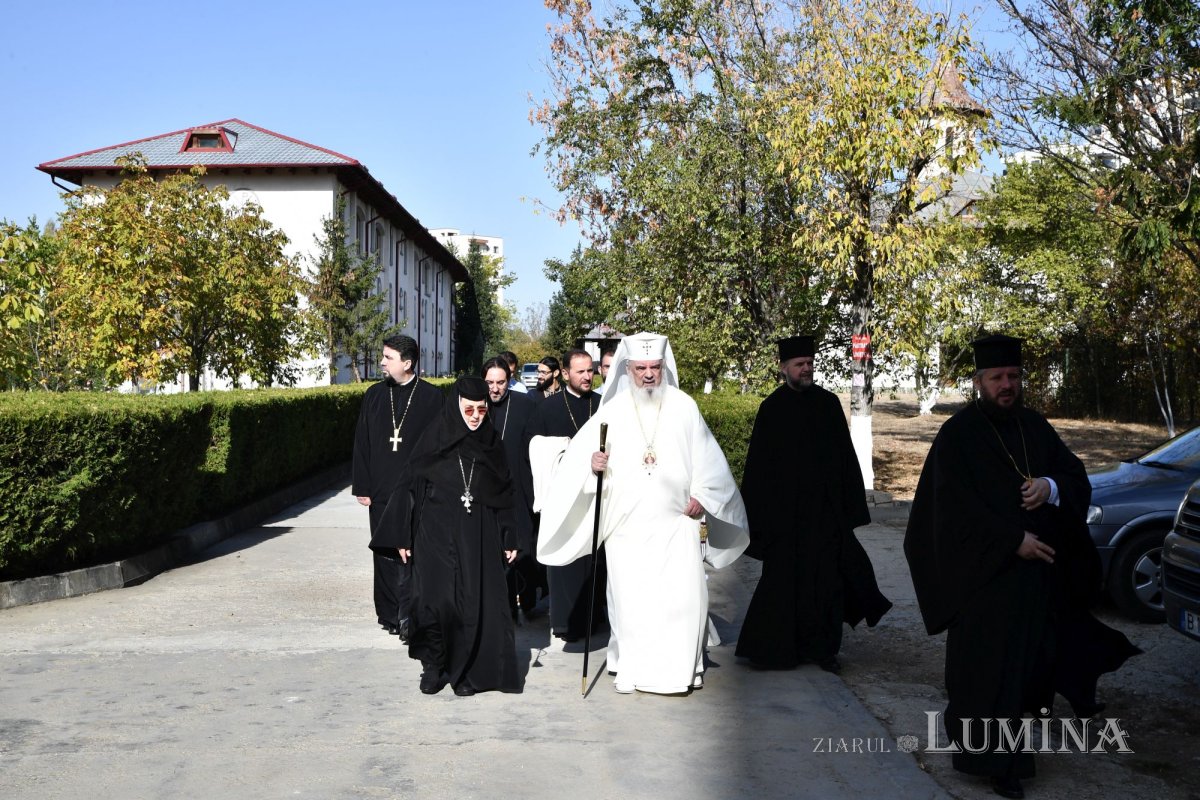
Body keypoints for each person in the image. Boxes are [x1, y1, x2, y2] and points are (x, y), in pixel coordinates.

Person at [904, 334, 1139, 799]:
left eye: (1013, 376)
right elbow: (948, 513)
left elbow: (1074, 477)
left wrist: (1050, 488)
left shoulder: (1035, 426)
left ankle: (1010, 759)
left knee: (1024, 676)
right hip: (984, 585)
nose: (1007, 385)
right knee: (985, 678)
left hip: (1035, 586)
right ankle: (997, 766)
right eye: (997, 378)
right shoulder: (958, 437)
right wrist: (1014, 541)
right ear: (978, 382)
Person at [537, 332, 749, 695]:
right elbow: (578, 463)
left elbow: (709, 460)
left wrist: (702, 494)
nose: (648, 375)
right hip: (627, 529)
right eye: (640, 368)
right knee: (632, 603)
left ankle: (683, 670)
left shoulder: (684, 406)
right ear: (628, 369)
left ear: (664, 368)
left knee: (682, 601)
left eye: (654, 367)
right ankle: (633, 668)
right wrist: (593, 464)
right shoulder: (613, 410)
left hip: (676, 524)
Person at [736, 335, 891, 674]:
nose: (806, 369)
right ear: (784, 368)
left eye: (809, 363)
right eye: (799, 364)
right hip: (785, 521)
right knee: (783, 586)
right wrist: (759, 523)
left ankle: (823, 651)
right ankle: (780, 651)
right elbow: (759, 470)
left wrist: (849, 510)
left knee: (827, 587)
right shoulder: (772, 409)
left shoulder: (827, 403)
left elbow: (845, 459)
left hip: (824, 518)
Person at [378, 376, 522, 696]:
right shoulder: (434, 438)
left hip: (477, 534)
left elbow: (505, 492)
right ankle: (434, 665)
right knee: (434, 601)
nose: (474, 416)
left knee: (470, 602)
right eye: (468, 409)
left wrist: (510, 536)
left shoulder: (492, 444)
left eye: (481, 410)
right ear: (456, 407)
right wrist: (402, 534)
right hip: (434, 533)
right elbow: (408, 486)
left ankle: (465, 671)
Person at [352, 334, 443, 641]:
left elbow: (438, 447)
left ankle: (412, 612)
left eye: (388, 358)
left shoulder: (431, 397)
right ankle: (389, 613)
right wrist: (361, 485)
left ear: (407, 363)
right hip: (380, 489)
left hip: (417, 491)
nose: (382, 362)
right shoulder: (375, 395)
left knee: (414, 553)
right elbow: (362, 442)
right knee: (385, 553)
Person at [526, 348, 606, 641]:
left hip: (595, 497)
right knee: (565, 562)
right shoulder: (547, 409)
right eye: (581, 371)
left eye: (590, 371)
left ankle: (593, 617)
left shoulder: (603, 405)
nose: (587, 376)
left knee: (593, 561)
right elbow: (534, 448)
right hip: (562, 500)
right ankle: (563, 622)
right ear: (565, 373)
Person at [482, 356, 540, 618]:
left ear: (509, 381)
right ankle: (503, 606)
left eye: (501, 382)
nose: (495, 389)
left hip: (519, 488)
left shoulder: (524, 405)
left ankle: (526, 601)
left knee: (523, 549)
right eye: (490, 382)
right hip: (486, 492)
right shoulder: (476, 407)